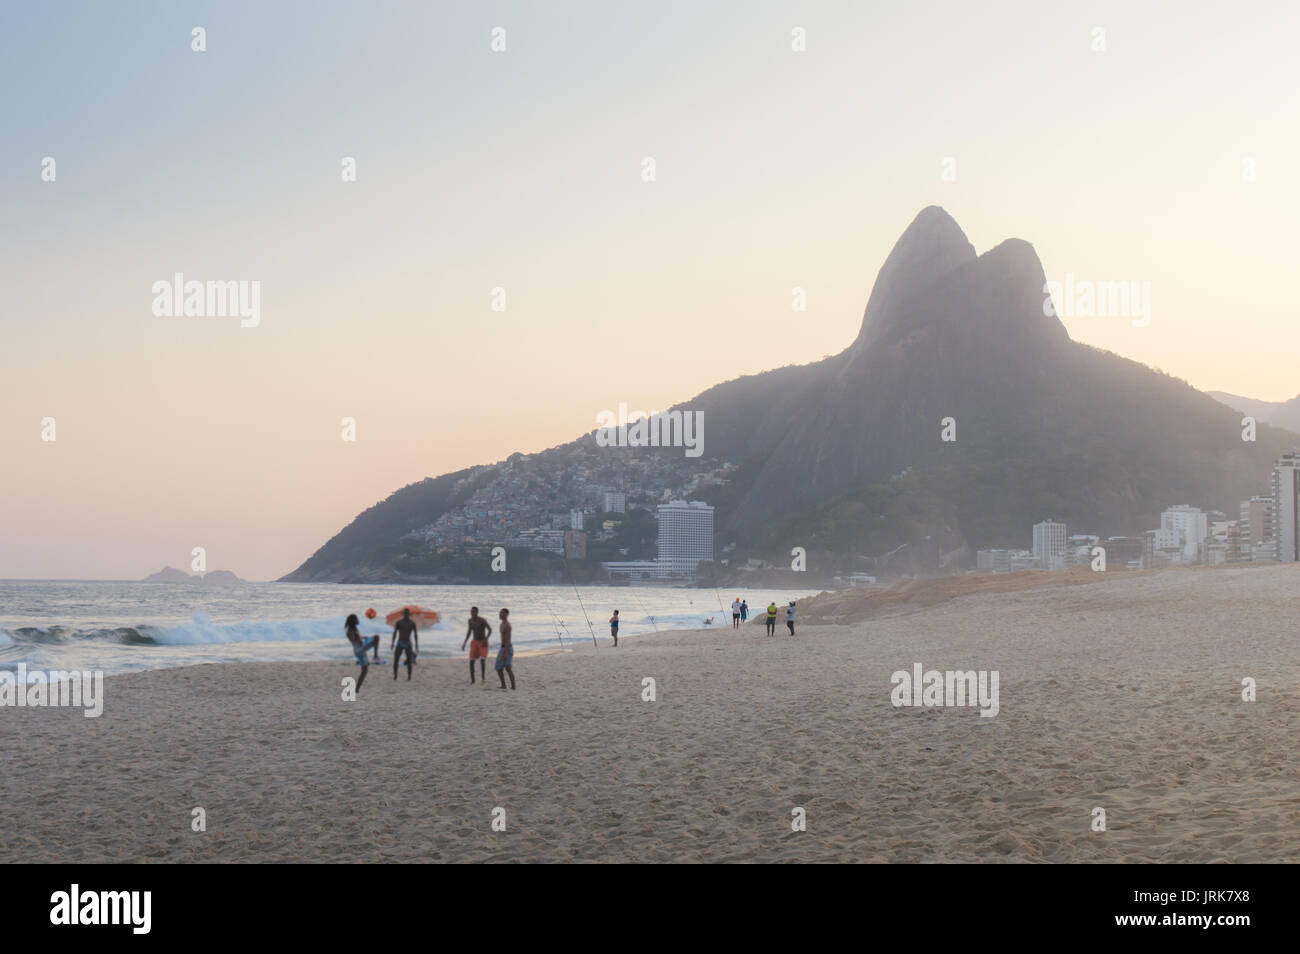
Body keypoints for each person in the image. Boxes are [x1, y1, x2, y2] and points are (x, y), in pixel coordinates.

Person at [461, 606, 492, 684]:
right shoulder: (470, 621)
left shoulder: (482, 620)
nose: (472, 613)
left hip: (483, 642)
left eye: (474, 612)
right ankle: (473, 680)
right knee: (471, 661)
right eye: (471, 612)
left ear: (477, 612)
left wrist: (486, 639)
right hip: (474, 642)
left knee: (482, 660)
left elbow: (490, 630)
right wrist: (464, 642)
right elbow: (469, 632)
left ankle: (483, 678)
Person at [345, 614, 373, 691]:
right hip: (359, 649)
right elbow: (353, 640)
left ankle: (357, 688)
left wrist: (362, 637)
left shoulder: (354, 629)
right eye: (357, 619)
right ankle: (376, 656)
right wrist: (359, 639)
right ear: (353, 621)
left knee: (365, 670)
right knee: (376, 638)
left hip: (360, 649)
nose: (358, 620)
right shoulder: (350, 630)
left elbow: (357, 638)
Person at [391, 607, 418, 680]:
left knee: (409, 661)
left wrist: (416, 645)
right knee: (396, 660)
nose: (406, 615)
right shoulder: (399, 622)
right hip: (400, 642)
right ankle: (395, 675)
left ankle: (409, 676)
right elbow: (395, 633)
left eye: (407, 614)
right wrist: (392, 643)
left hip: (408, 643)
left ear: (409, 615)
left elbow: (415, 635)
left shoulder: (412, 623)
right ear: (403, 614)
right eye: (405, 614)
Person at [495, 607, 516, 690]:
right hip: (502, 647)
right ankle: (503, 685)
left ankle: (513, 686)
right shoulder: (501, 624)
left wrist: (505, 652)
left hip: (507, 648)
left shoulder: (507, 625)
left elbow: (508, 639)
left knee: (508, 668)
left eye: (502, 613)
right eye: (500, 613)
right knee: (499, 668)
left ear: (506, 615)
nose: (500, 614)